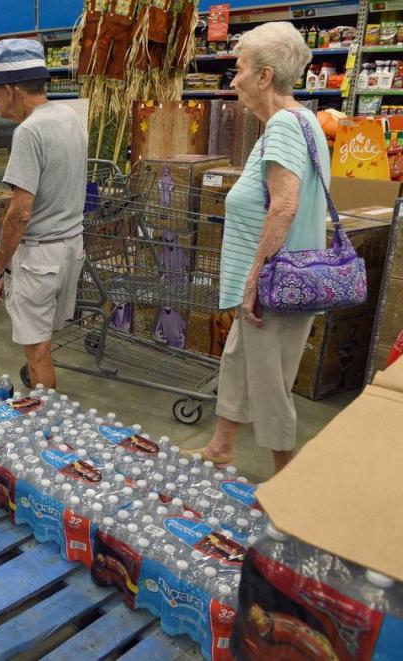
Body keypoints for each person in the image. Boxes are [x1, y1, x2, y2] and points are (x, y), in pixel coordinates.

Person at [182, 22, 327, 476]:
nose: (234, 80)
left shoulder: (284, 125)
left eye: (239, 69)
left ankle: (287, 476)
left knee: (270, 382)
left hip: (276, 283)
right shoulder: (302, 121)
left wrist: (254, 278)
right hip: (282, 276)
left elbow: (283, 206)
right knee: (239, 359)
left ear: (264, 76)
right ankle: (222, 445)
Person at [0, 39, 88, 389]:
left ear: (11, 90)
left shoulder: (28, 131)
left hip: (39, 256)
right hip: (71, 246)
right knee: (44, 336)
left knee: (36, 348)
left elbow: (19, 214)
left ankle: (46, 425)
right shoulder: (68, 117)